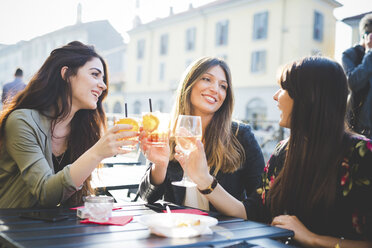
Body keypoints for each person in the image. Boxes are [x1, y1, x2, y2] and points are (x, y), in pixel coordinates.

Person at [186, 56, 372, 247]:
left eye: (284, 89)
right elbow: (252, 212)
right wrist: (204, 180)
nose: (276, 96)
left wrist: (313, 238)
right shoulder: (283, 151)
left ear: (308, 97)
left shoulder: (361, 154)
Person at [0, 41, 138, 208]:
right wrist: (97, 152)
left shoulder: (83, 130)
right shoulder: (21, 121)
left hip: (59, 229)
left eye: (103, 79)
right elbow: (45, 192)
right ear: (66, 74)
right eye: (95, 74)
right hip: (15, 230)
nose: (103, 85)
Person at [138, 57, 265, 216]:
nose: (215, 89)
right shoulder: (167, 131)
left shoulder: (241, 135)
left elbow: (261, 206)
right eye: (207, 79)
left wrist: (206, 181)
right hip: (178, 232)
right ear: (189, 84)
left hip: (227, 233)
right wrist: (160, 166)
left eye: (223, 86)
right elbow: (146, 197)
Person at [342, 13, 372, 139]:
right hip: (359, 128)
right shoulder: (350, 55)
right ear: (367, 36)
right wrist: (370, 53)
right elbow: (353, 83)